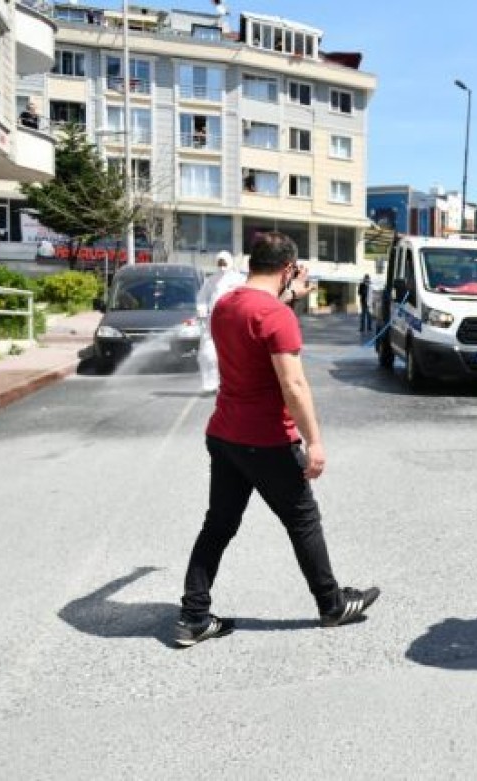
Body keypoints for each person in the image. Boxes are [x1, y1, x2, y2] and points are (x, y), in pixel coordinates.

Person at [175, 232, 380, 647]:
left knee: (218, 525)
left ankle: (194, 617)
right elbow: (294, 385)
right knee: (303, 520)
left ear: (253, 263)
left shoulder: (226, 304)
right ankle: (332, 604)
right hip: (267, 439)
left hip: (225, 435)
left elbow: (255, 321)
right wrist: (315, 442)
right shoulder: (276, 316)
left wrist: (288, 298)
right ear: (288, 269)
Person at [196, 251, 246, 394]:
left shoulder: (240, 279)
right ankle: (209, 385)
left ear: (230, 262)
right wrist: (202, 310)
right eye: (219, 263)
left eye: (224, 262)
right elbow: (202, 298)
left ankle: (233, 384)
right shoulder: (210, 280)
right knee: (207, 354)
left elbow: (246, 297)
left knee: (234, 355)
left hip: (232, 322)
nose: (222, 266)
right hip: (212, 321)